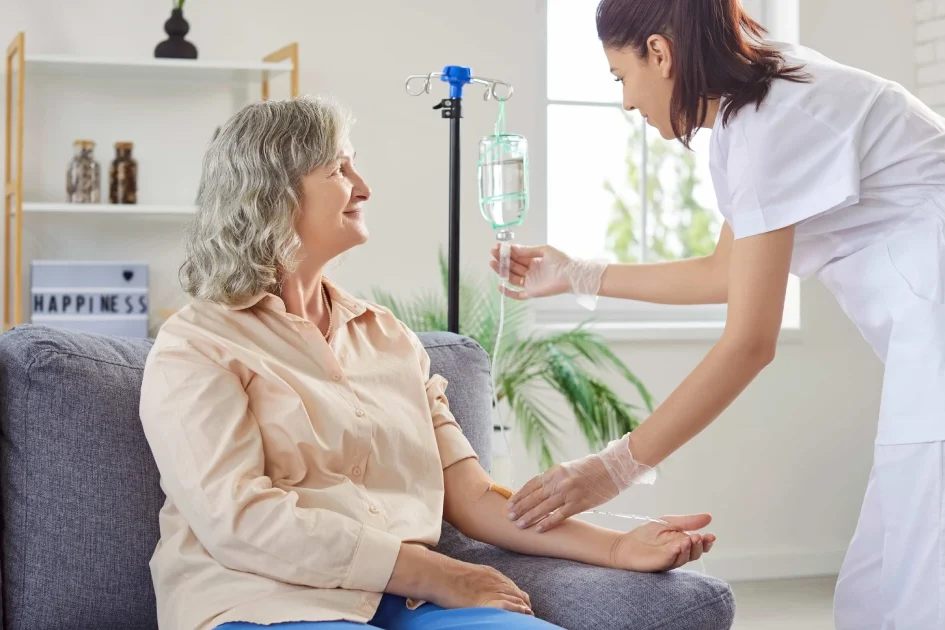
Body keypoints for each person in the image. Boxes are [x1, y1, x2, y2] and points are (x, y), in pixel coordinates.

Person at [138, 95, 715, 630]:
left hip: (410, 600)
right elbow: (238, 521)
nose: (363, 187)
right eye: (339, 170)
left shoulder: (387, 337)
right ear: (273, 194)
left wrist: (616, 547)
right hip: (260, 598)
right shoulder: (197, 345)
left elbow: (471, 496)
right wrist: (440, 574)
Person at [492, 1, 945, 628]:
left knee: (915, 589)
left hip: (936, 345)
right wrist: (576, 274)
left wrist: (613, 468)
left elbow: (750, 342)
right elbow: (724, 274)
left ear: (659, 52)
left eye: (621, 77)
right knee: (884, 585)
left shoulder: (768, 124)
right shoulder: (757, 107)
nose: (625, 102)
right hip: (925, 347)